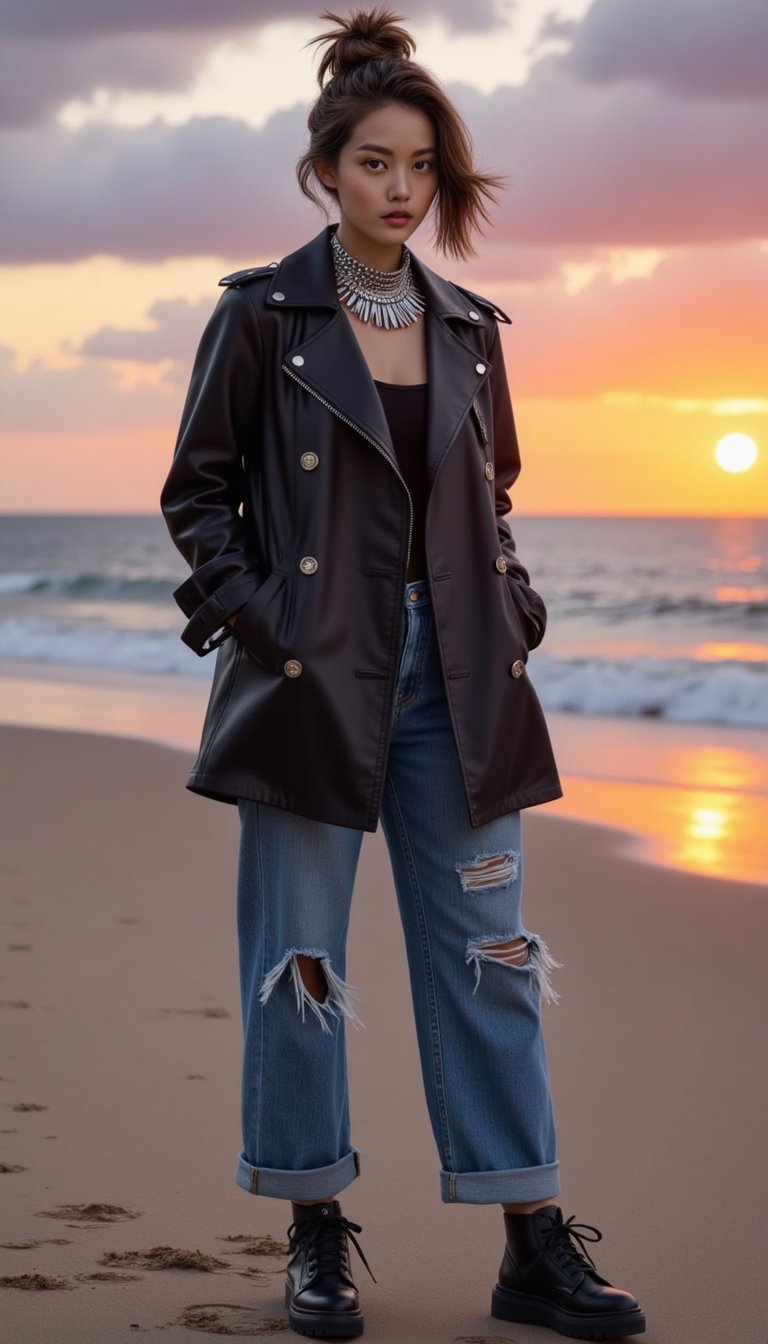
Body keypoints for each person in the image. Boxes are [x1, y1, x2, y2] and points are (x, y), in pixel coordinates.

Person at [160, 7, 645, 1339]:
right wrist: (270, 624)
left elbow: (493, 498)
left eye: (423, 166)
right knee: (301, 963)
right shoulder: (262, 316)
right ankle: (314, 1228)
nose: (402, 189)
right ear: (324, 169)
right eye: (376, 162)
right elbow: (198, 494)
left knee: (494, 955)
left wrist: (513, 609)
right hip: (313, 678)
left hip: (462, 684)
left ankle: (530, 1236)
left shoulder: (473, 327)